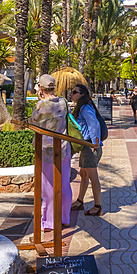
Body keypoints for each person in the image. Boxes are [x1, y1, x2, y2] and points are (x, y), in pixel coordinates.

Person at [30, 74, 73, 233]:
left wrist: (39, 99)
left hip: (45, 149)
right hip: (63, 148)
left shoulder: (41, 106)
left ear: (41, 88)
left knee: (47, 186)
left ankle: (49, 222)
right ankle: (64, 218)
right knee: (64, 183)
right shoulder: (63, 102)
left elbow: (32, 122)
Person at [69, 83, 104, 216]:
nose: (72, 94)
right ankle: (79, 200)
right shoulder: (84, 106)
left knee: (93, 177)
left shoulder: (84, 107)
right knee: (84, 174)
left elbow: (93, 124)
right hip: (88, 146)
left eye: (74, 92)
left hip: (90, 147)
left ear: (82, 94)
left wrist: (95, 143)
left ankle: (97, 206)